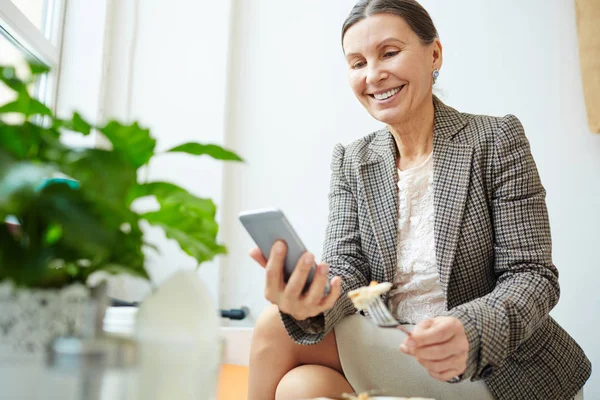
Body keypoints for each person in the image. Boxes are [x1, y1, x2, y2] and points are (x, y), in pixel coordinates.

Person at [247, 1, 591, 399]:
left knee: (273, 326)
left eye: (389, 53)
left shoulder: (495, 139)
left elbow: (533, 275)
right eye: (357, 63)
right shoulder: (351, 160)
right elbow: (349, 268)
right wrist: (312, 301)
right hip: (397, 346)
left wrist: (469, 328)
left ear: (434, 54)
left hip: (488, 365)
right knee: (299, 386)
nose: (373, 75)